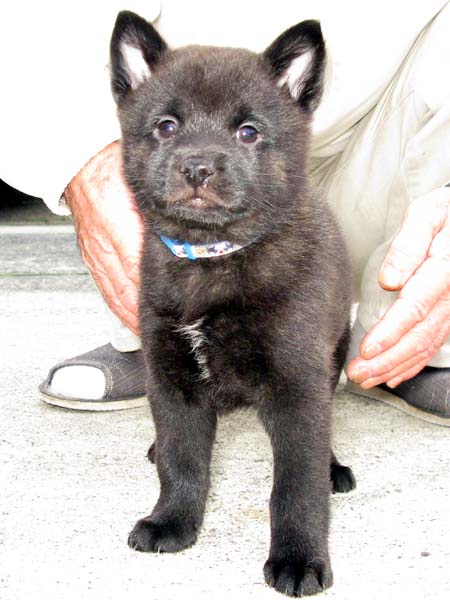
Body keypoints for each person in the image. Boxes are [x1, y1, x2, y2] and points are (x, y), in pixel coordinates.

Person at [2, 1, 449, 424]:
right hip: (184, 129)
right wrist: (83, 157)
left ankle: (406, 340)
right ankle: (164, 345)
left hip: (384, 139)